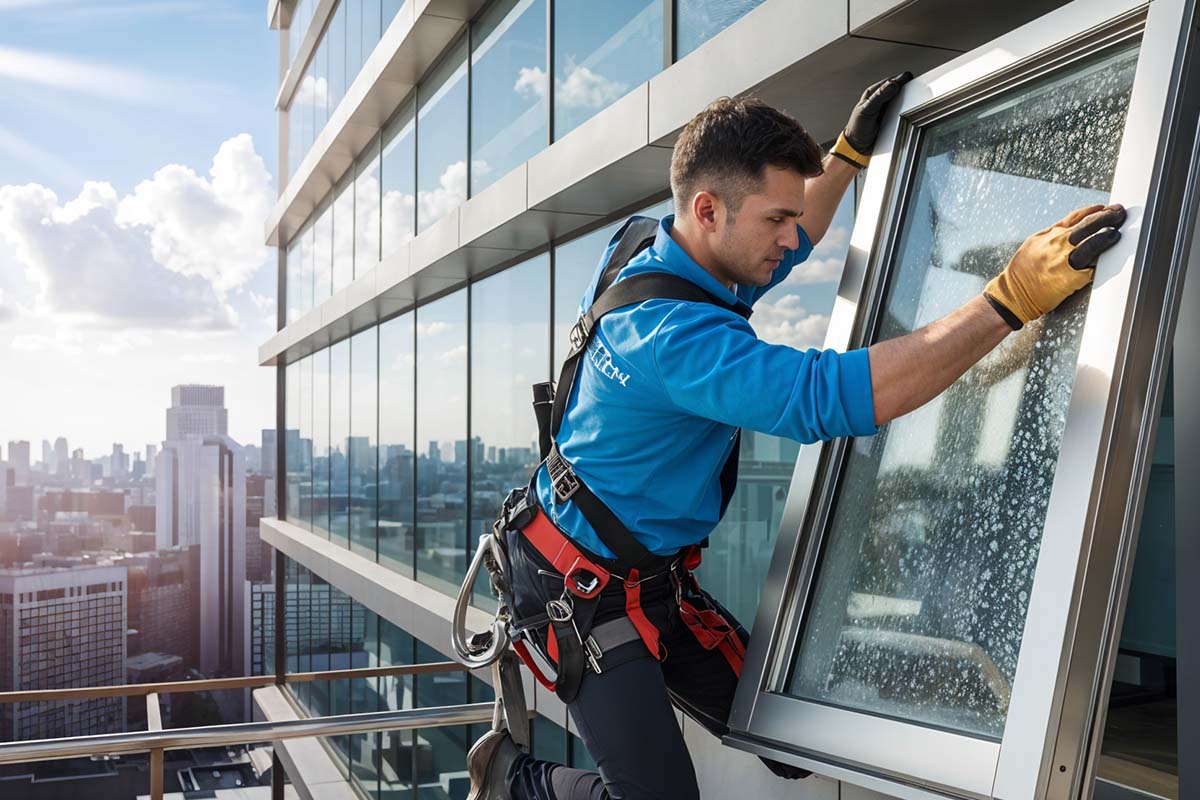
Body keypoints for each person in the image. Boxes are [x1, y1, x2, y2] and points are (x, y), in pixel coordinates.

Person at [466, 75, 1127, 800]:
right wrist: (1009, 298)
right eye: (779, 217)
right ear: (710, 210)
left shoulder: (652, 247)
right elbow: (832, 397)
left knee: (789, 736)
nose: (793, 237)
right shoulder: (677, 338)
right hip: (578, 592)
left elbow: (778, 243)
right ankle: (510, 779)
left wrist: (843, 154)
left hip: (646, 576)